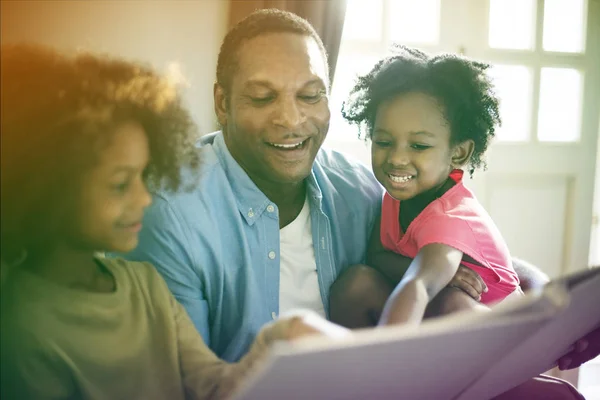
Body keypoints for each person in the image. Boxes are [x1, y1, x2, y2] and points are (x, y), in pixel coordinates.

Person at [126, 9, 590, 399]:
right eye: (263, 97)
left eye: (310, 95)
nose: (291, 119)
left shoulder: (355, 189)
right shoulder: (171, 210)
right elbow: (181, 385)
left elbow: (454, 253)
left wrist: (548, 294)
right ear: (222, 104)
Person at [0, 44, 342, 400]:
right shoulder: (20, 328)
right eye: (120, 185)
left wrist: (279, 337)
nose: (144, 198)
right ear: (49, 184)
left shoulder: (145, 286)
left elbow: (212, 386)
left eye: (143, 176)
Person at [330, 46, 522, 328]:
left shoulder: (449, 218)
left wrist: (388, 349)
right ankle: (347, 364)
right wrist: (446, 276)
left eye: (418, 146)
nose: (396, 158)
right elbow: (378, 257)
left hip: (502, 331)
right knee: (356, 282)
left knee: (453, 303)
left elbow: (419, 286)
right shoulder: (397, 197)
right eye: (383, 142)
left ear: (458, 153)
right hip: (434, 315)